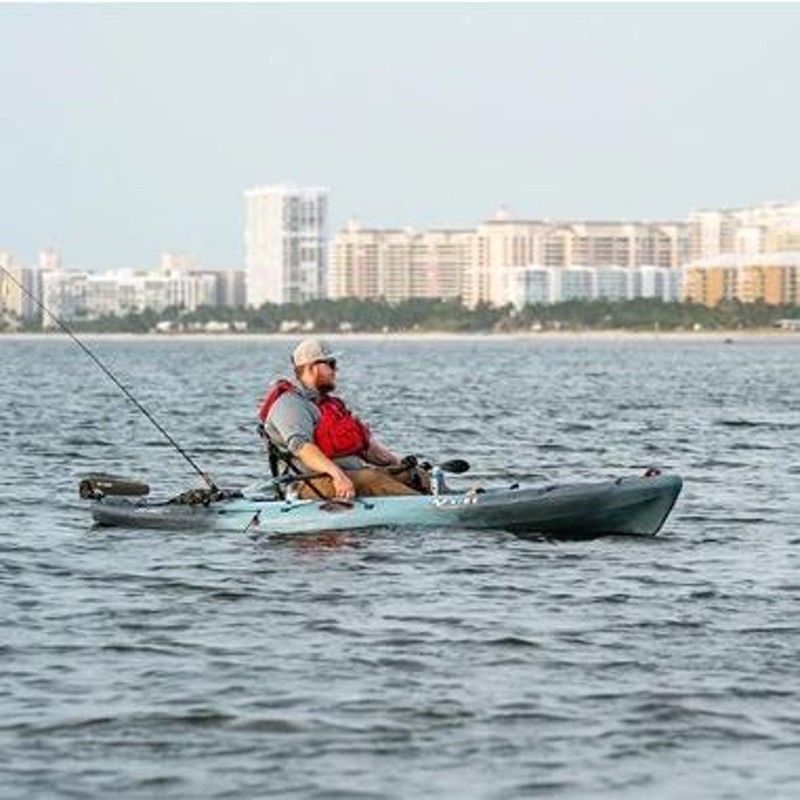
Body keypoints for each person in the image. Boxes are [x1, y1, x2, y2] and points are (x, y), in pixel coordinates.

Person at [257, 338, 428, 500]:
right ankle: (431, 508)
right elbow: (302, 448)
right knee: (371, 479)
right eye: (331, 364)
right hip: (307, 484)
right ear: (311, 368)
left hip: (350, 473)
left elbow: (367, 448)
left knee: (415, 474)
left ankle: (440, 502)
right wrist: (337, 475)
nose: (335, 370)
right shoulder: (290, 404)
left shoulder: (332, 405)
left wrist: (401, 464)